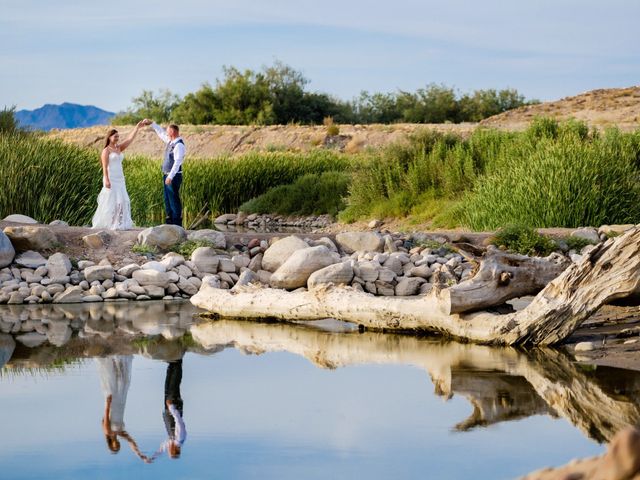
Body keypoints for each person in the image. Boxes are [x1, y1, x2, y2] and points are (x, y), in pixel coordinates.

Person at [91, 121, 145, 229]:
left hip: (120, 179)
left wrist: (137, 127)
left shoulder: (119, 148)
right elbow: (105, 167)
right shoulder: (106, 151)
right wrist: (106, 180)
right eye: (115, 136)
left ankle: (118, 223)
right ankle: (110, 223)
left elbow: (130, 139)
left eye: (118, 136)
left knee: (122, 201)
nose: (117, 138)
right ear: (109, 137)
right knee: (111, 201)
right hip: (111, 178)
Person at [143, 119, 186, 227]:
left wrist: (170, 176)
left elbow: (177, 163)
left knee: (173, 199)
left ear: (172, 132)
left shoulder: (179, 145)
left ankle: (177, 224)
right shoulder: (171, 142)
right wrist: (152, 124)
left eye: (168, 131)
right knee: (167, 199)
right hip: (167, 175)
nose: (166, 132)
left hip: (173, 176)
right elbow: (161, 134)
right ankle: (169, 223)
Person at [152, 359, 186, 460]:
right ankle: (177, 361)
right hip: (174, 406)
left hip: (169, 409)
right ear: (175, 450)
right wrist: (171, 407)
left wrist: (153, 457)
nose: (168, 450)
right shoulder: (180, 438)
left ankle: (172, 362)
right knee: (174, 384)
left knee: (168, 385)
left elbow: (163, 446)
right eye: (169, 451)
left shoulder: (172, 441)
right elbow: (179, 421)